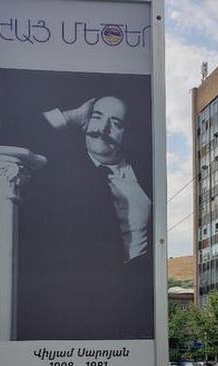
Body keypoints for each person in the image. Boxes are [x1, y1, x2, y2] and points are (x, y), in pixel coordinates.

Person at [12, 95, 154, 341]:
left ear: (125, 132)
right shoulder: (58, 169)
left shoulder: (145, 173)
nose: (102, 130)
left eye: (115, 123)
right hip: (74, 305)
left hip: (134, 304)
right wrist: (69, 116)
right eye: (96, 118)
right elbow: (9, 134)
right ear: (85, 123)